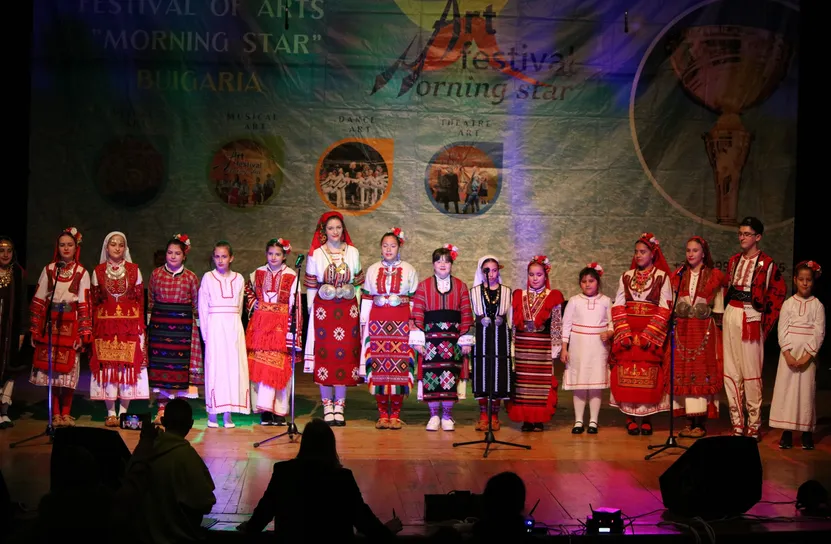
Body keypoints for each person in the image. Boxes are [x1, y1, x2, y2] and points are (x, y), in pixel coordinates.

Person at [239, 418, 402, 542]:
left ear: (304, 444)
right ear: (331, 446)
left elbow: (265, 510)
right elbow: (362, 518)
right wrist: (386, 531)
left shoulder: (284, 472)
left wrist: (250, 527)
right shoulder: (342, 478)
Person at [722, 216, 786, 440]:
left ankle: (754, 424)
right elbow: (728, 290)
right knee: (731, 371)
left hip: (751, 316)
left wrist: (763, 321)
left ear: (757, 237)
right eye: (740, 233)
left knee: (751, 373)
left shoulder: (767, 264)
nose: (742, 237)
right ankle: (737, 423)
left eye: (747, 234)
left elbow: (777, 294)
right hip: (732, 313)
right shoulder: (733, 261)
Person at [121, 399, 216, 544]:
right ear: (190, 424)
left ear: (163, 421)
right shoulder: (188, 456)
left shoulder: (145, 450)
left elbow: (127, 486)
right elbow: (205, 503)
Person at [304, 212, 364, 426]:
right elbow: (311, 285)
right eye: (330, 228)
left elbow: (358, 282)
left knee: (344, 356)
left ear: (343, 229)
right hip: (324, 310)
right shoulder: (316, 254)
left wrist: (356, 306)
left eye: (338, 227)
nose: (335, 232)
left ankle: (340, 406)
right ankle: (327, 405)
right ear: (324, 231)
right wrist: (312, 310)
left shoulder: (353, 252)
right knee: (326, 355)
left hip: (348, 310)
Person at [610, 233, 672, 436]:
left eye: (643, 252)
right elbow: (618, 305)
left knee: (648, 373)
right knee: (626, 372)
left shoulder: (662, 277)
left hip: (650, 335)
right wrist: (624, 333)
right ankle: (629, 417)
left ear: (652, 254)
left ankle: (646, 418)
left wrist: (648, 336)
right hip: (628, 333)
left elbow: (665, 308)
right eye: (636, 252)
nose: (638, 255)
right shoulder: (626, 276)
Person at [409, 244, 474, 431]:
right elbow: (417, 313)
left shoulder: (461, 286)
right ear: (433, 265)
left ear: (452, 264)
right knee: (431, 376)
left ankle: (447, 415)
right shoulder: (423, 286)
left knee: (450, 377)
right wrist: (418, 340)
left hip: (453, 341)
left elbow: (466, 313)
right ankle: (433, 416)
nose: (443, 265)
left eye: (446, 261)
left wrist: (466, 339)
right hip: (430, 340)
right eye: (438, 261)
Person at [359, 228, 418, 430]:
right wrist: (364, 323)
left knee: (400, 366)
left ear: (399, 247)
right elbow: (367, 298)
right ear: (380, 248)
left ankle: (396, 414)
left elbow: (414, 299)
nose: (388, 249)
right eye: (385, 246)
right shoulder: (372, 269)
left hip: (402, 322)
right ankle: (383, 413)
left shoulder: (409, 269)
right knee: (379, 366)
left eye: (392, 246)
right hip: (377, 322)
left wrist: (413, 322)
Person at [90, 231, 149, 426]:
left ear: (125, 248)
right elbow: (94, 302)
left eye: (121, 245)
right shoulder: (98, 271)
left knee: (126, 368)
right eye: (113, 244)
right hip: (105, 328)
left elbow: (140, 301)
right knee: (108, 368)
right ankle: (110, 413)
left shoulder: (134, 270)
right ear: (106, 248)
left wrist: (140, 327)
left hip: (129, 328)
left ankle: (123, 412)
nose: (117, 248)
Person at [669, 237, 725, 438]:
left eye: (695, 250)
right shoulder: (679, 275)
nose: (691, 254)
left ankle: (700, 423)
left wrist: (717, 328)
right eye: (688, 250)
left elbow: (719, 306)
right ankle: (688, 421)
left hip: (704, 330)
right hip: (683, 330)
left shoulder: (714, 276)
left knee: (702, 371)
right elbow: (673, 303)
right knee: (684, 371)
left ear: (703, 253)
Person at [146, 234, 202, 424]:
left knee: (182, 370)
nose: (173, 256)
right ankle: (161, 410)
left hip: (183, 329)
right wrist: (151, 324)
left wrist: (196, 326)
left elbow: (196, 303)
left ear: (184, 255)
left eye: (177, 253)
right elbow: (151, 300)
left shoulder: (191, 277)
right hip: (161, 327)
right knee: (162, 368)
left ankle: (179, 412)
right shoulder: (156, 274)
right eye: (170, 252)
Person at [770, 260, 825, 450]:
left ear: (813, 281)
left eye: (808, 279)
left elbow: (819, 332)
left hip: (806, 356)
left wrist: (807, 357)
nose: (805, 283)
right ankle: (787, 432)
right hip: (789, 355)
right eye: (801, 279)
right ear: (795, 280)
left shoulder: (817, 306)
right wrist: (787, 354)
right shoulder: (788, 304)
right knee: (787, 392)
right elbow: (782, 329)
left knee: (805, 393)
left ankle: (806, 433)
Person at [506, 256, 564, 432]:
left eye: (539, 274)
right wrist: (513, 344)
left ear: (545, 276)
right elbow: (514, 322)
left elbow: (556, 323)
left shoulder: (552, 296)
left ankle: (538, 419)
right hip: (523, 345)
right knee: (523, 384)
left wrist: (556, 347)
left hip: (542, 347)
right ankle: (526, 420)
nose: (535, 278)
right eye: (531, 274)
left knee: (540, 384)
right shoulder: (519, 295)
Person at [245, 237, 299, 426]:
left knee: (280, 367)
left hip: (281, 326)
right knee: (261, 366)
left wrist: (294, 332)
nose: (273, 257)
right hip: (261, 326)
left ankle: (280, 411)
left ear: (284, 256)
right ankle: (264, 410)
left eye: (277, 254)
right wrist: (255, 303)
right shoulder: (258, 273)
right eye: (270, 253)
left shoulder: (291, 275)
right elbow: (248, 291)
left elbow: (295, 305)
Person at [199, 241, 250, 427]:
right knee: (216, 369)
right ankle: (213, 414)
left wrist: (237, 330)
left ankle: (228, 414)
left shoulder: (239, 279)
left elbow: (240, 307)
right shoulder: (208, 278)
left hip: (233, 327)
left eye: (224, 256)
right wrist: (206, 334)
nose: (220, 260)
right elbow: (203, 307)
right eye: (217, 257)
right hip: (215, 327)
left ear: (231, 258)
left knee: (233, 369)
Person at [561, 263, 611, 434]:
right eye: (584, 281)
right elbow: (566, 325)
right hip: (578, 347)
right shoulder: (574, 301)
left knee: (596, 384)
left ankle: (593, 421)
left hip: (598, 347)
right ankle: (578, 421)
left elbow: (612, 323)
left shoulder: (605, 301)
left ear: (598, 282)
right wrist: (564, 348)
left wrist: (609, 332)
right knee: (579, 383)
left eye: (591, 281)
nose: (587, 284)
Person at [469, 255, 513, 432]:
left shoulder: (507, 292)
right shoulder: (474, 292)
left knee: (498, 374)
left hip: (500, 338)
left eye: (495, 270)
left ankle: (494, 415)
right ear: (481, 272)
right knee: (482, 374)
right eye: (487, 270)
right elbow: (471, 316)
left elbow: (511, 318)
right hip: (482, 338)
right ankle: (483, 415)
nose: (492, 274)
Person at [0, 236, 28, 429]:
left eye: (9, 251)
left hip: (10, 330)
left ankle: (4, 411)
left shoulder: (18, 273)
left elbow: (23, 304)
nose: (5, 254)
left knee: (9, 367)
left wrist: (22, 330)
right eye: (1, 250)